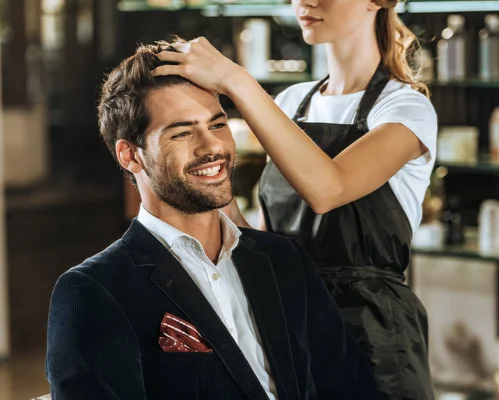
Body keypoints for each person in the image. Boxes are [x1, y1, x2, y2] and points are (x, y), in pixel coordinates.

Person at [45, 39, 382, 400]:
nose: (212, 148)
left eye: (217, 125)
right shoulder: (95, 289)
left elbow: (353, 389)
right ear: (130, 155)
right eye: (182, 132)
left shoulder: (284, 261)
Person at [151, 1, 437, 399]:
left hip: (375, 336)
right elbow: (264, 245)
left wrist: (236, 79)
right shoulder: (290, 104)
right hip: (291, 323)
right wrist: (215, 192)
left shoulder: (406, 108)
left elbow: (328, 189)